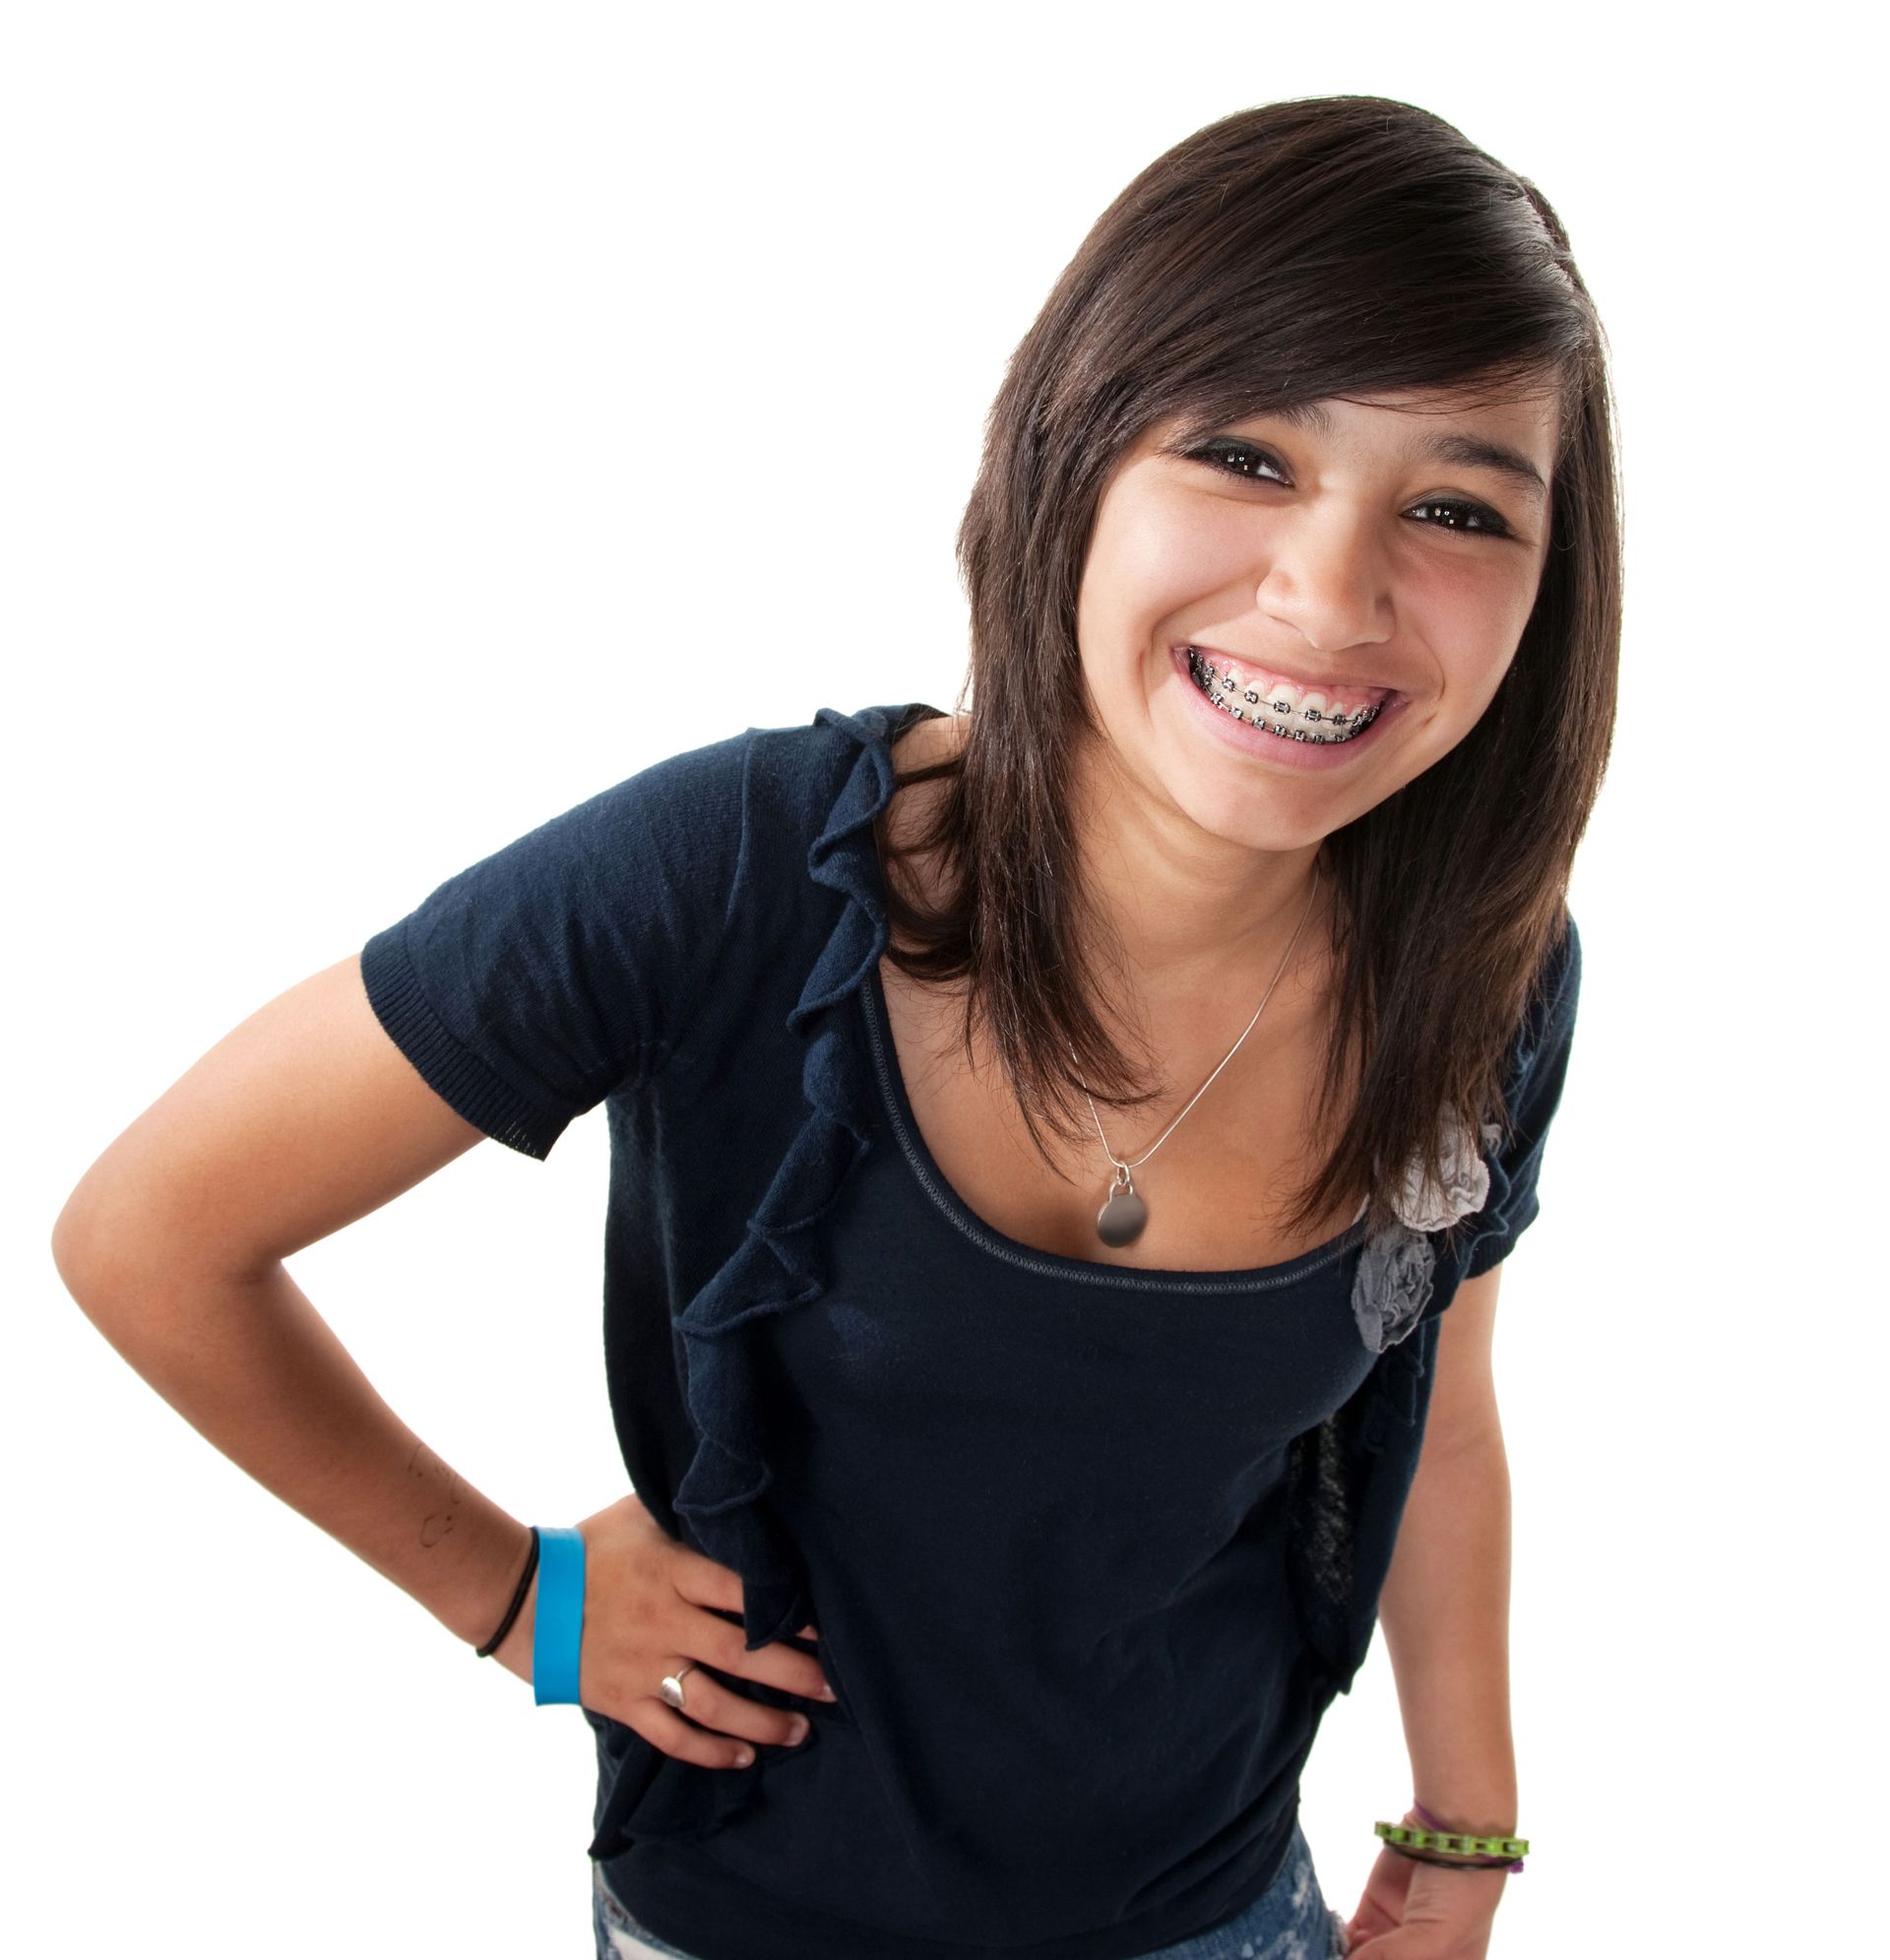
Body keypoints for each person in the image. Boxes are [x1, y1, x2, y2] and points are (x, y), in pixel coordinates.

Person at [51, 94, 1613, 1960]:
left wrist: (1466, 1833)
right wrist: (519, 1604)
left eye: (1454, 506)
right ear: (1074, 457)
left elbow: (1433, 1419)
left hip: (1219, 1918)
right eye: (1246, 455)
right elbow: (151, 1235)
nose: (1331, 592)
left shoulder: (1489, 967)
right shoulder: (740, 872)